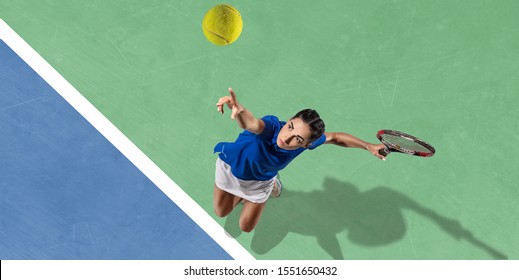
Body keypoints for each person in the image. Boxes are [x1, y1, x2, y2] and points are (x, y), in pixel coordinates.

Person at [213, 88, 386, 232]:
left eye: (298, 139)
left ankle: (270, 187)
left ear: (307, 145)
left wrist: (367, 146)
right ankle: (246, 194)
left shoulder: (308, 143)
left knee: (246, 227)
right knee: (222, 212)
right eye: (290, 127)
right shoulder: (271, 127)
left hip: (260, 180)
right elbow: (251, 123)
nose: (287, 138)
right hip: (231, 167)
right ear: (288, 120)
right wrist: (239, 110)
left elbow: (334, 137)